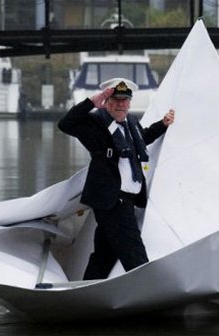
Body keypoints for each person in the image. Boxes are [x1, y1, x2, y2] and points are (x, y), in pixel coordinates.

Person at [58, 77, 175, 280]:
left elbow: (143, 138)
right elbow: (66, 124)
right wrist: (91, 102)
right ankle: (149, 288)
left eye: (125, 100)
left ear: (129, 102)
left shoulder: (131, 124)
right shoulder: (96, 125)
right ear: (107, 102)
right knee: (133, 249)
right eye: (116, 100)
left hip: (125, 201)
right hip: (113, 201)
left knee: (105, 254)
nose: (121, 104)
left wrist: (162, 125)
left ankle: (88, 292)